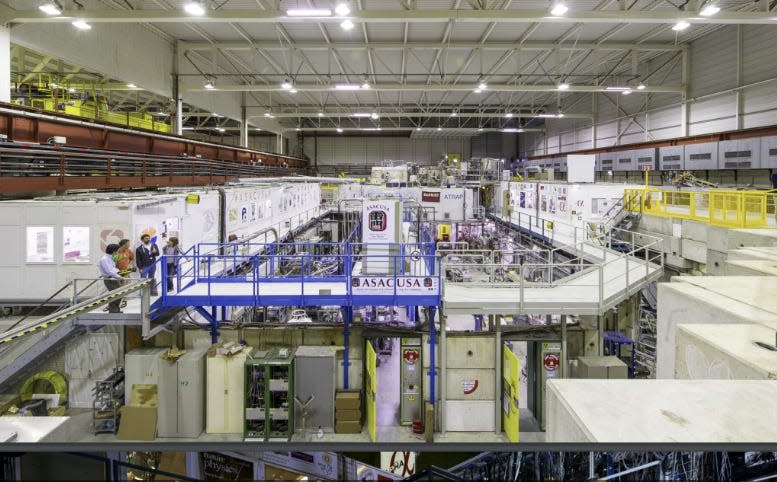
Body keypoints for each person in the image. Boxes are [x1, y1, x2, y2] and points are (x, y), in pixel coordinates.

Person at [99, 243, 125, 313]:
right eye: (118, 251)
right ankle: (113, 311)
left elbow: (113, 269)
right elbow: (109, 271)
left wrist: (119, 275)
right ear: (114, 251)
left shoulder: (110, 258)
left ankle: (115, 310)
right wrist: (119, 277)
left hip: (114, 278)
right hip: (109, 279)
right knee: (116, 295)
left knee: (118, 294)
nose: (118, 252)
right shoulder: (104, 259)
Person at [113, 239, 136, 308]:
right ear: (124, 245)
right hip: (117, 273)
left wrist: (129, 264)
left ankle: (124, 301)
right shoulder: (116, 252)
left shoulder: (128, 251)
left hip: (126, 272)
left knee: (126, 287)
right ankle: (117, 302)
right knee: (119, 288)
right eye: (128, 244)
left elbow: (132, 258)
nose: (129, 245)